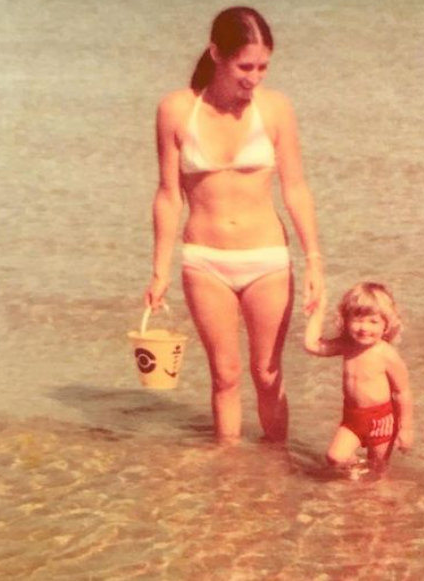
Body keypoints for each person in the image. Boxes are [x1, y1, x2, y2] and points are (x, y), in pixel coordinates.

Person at [143, 7, 324, 444]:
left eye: (263, 67)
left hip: (268, 259)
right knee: (224, 375)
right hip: (205, 260)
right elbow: (169, 195)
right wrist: (159, 269)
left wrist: (315, 261)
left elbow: (296, 189)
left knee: (266, 374)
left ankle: (275, 466)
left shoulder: (276, 109)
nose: (255, 77)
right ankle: (230, 479)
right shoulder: (176, 110)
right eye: (245, 66)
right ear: (216, 54)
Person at [304, 282, 413, 473]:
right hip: (352, 418)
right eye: (358, 319)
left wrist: (405, 428)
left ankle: (376, 498)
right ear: (346, 320)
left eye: (373, 321)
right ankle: (358, 475)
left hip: (381, 420)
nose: (364, 328)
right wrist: (318, 311)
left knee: (379, 470)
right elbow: (312, 345)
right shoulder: (346, 345)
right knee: (335, 457)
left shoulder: (386, 354)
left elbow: (402, 392)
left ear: (386, 325)